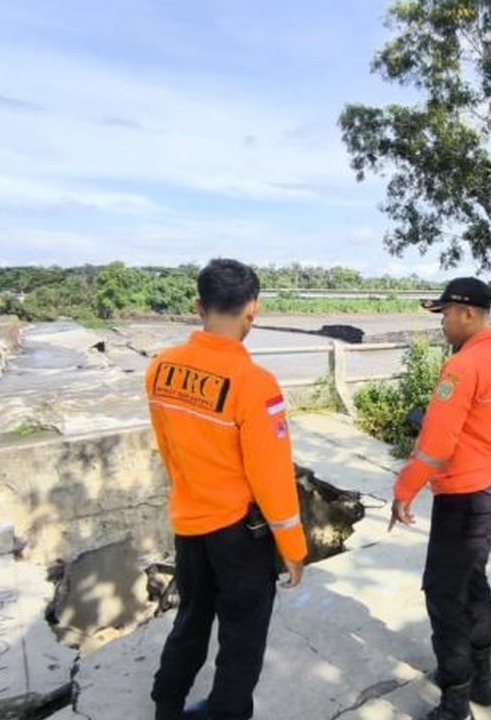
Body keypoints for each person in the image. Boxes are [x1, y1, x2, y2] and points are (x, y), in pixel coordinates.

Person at [146, 259, 307, 720]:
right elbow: (272, 478)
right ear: (251, 312)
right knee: (242, 637)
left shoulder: (160, 369)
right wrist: (293, 547)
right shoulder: (255, 385)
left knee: (190, 622)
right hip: (239, 535)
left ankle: (167, 706)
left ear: (199, 307)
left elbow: (168, 449)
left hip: (190, 525)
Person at [391, 277, 491, 720]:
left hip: (464, 497)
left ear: (469, 313)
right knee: (473, 583)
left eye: (446, 313)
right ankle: (482, 682)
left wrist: (404, 489)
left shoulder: (462, 366)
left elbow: (435, 444)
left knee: (444, 594)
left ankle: (454, 700)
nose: (443, 322)